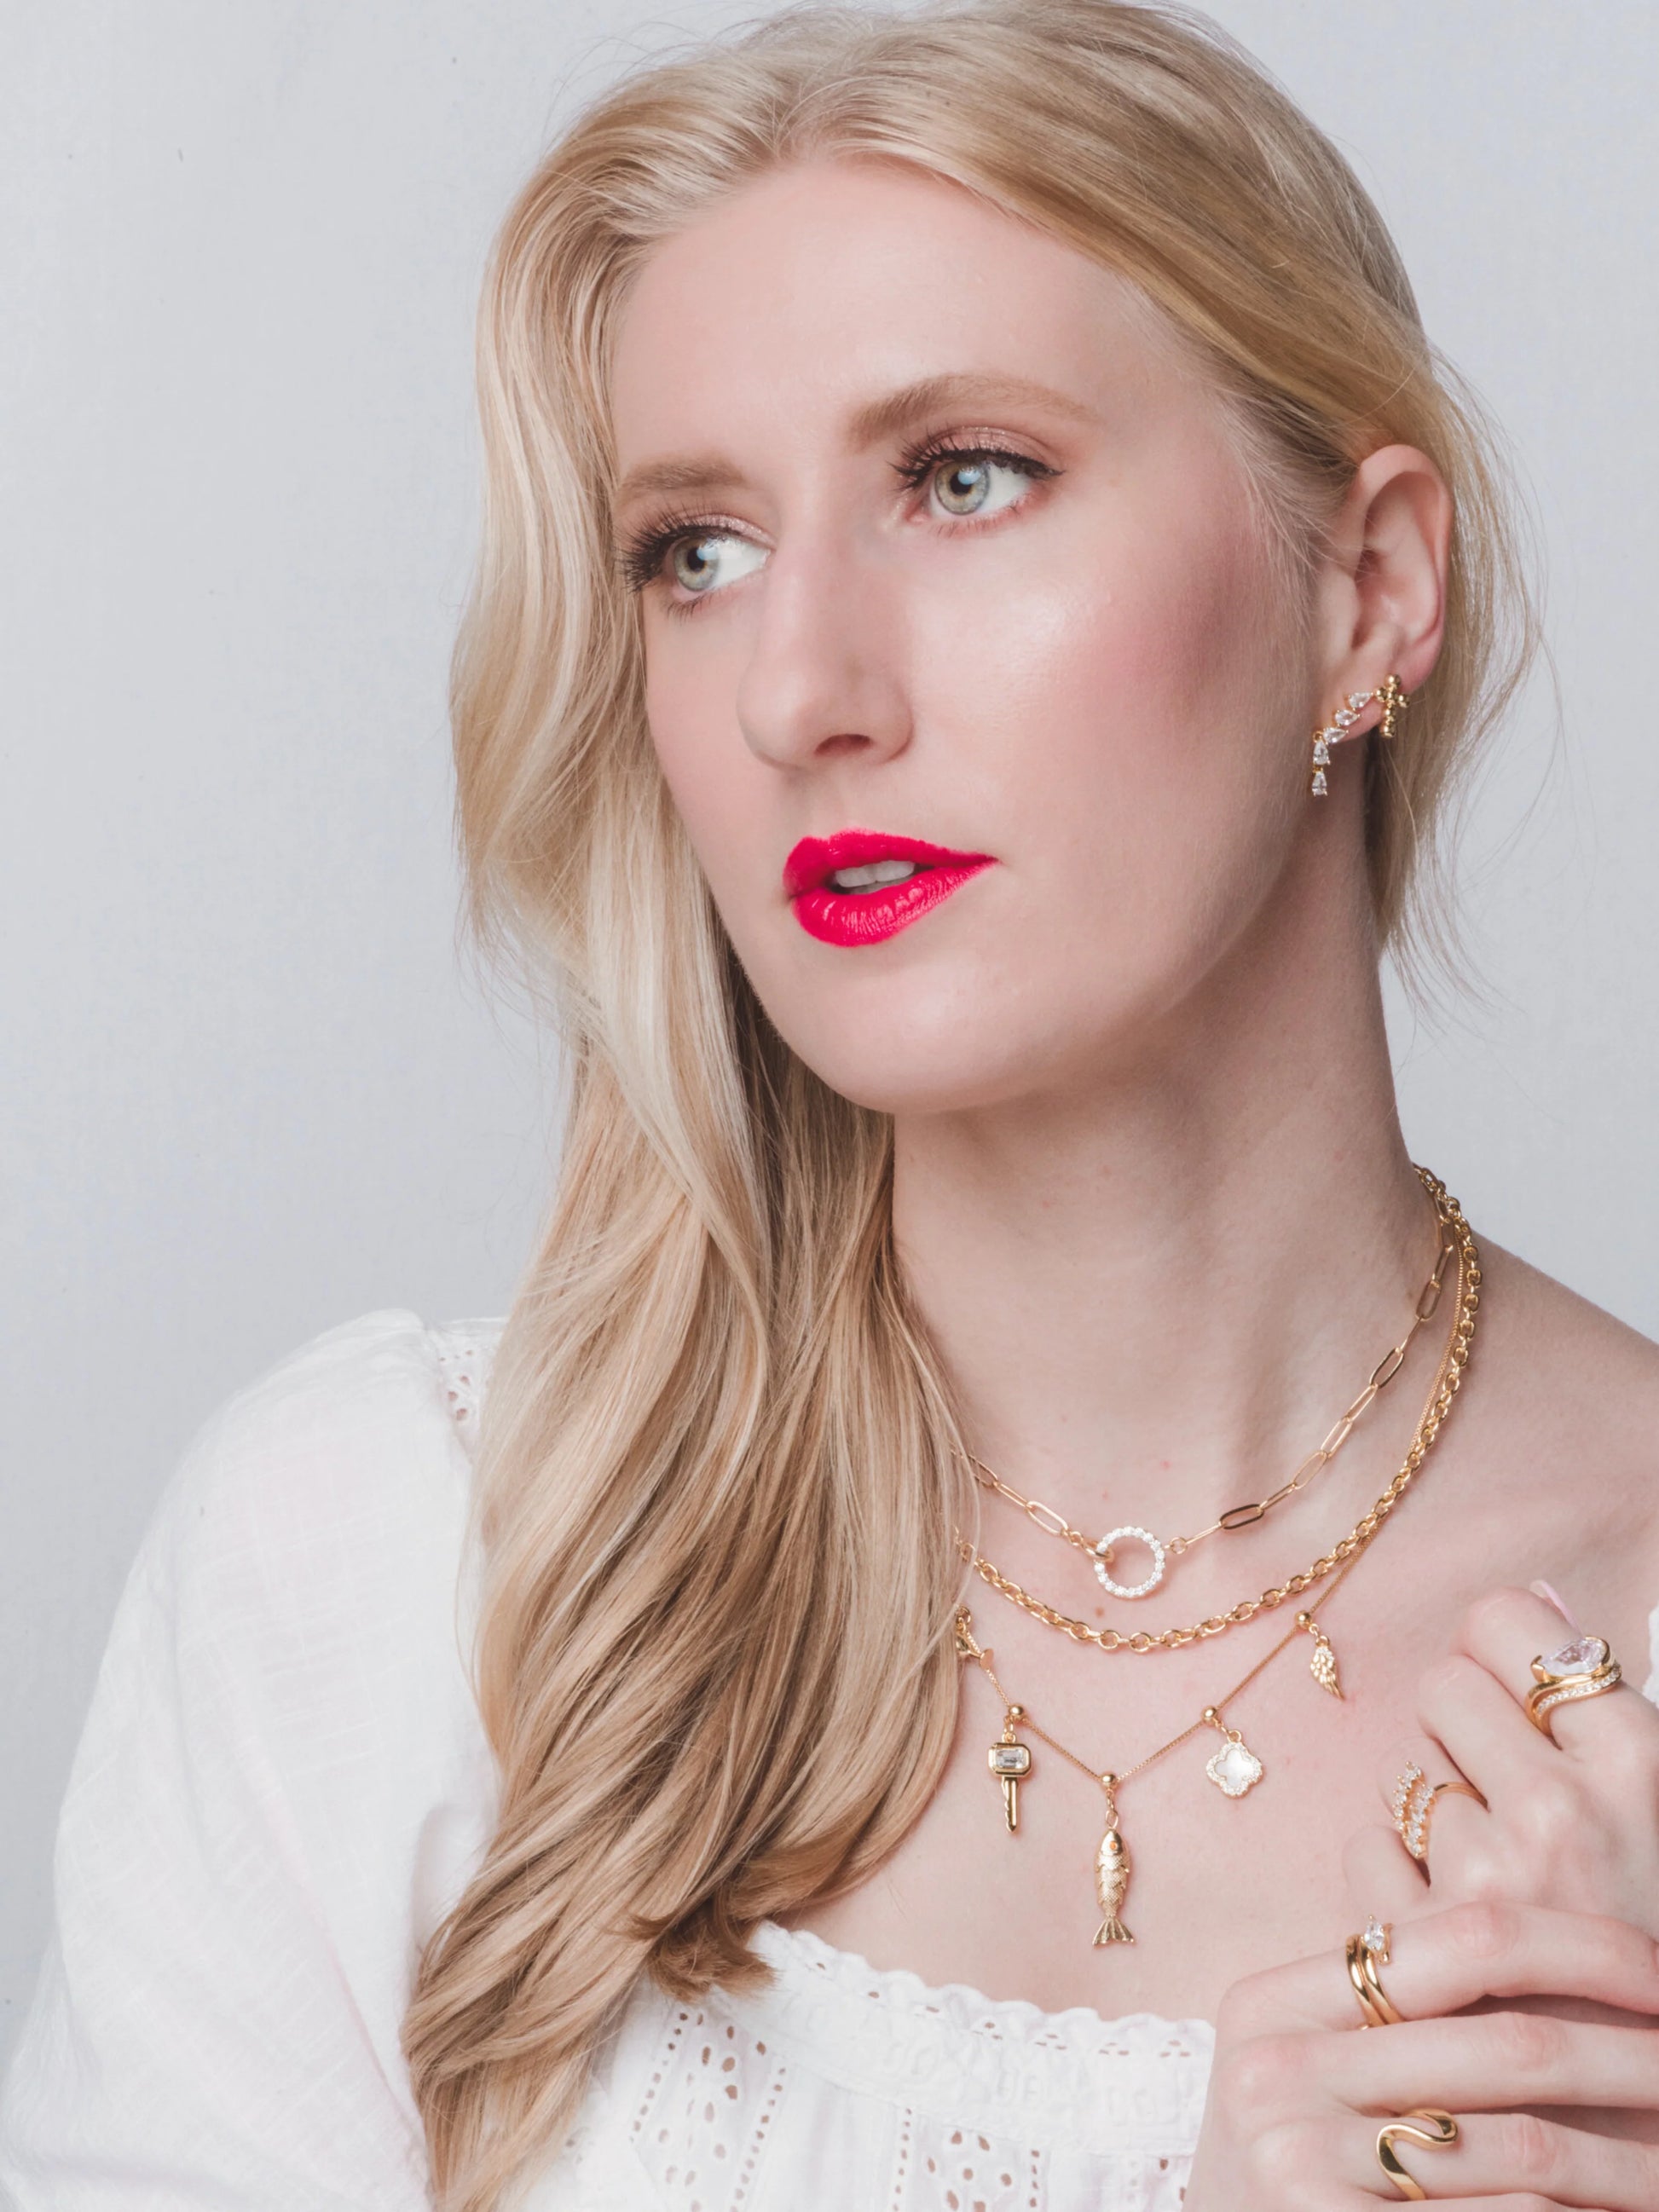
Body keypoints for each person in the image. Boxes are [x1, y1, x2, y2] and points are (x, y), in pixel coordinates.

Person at [5, 2, 1659, 2206]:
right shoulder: (389, 1581)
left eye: (965, 479)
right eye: (694, 549)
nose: (796, 691)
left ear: (1367, 589)